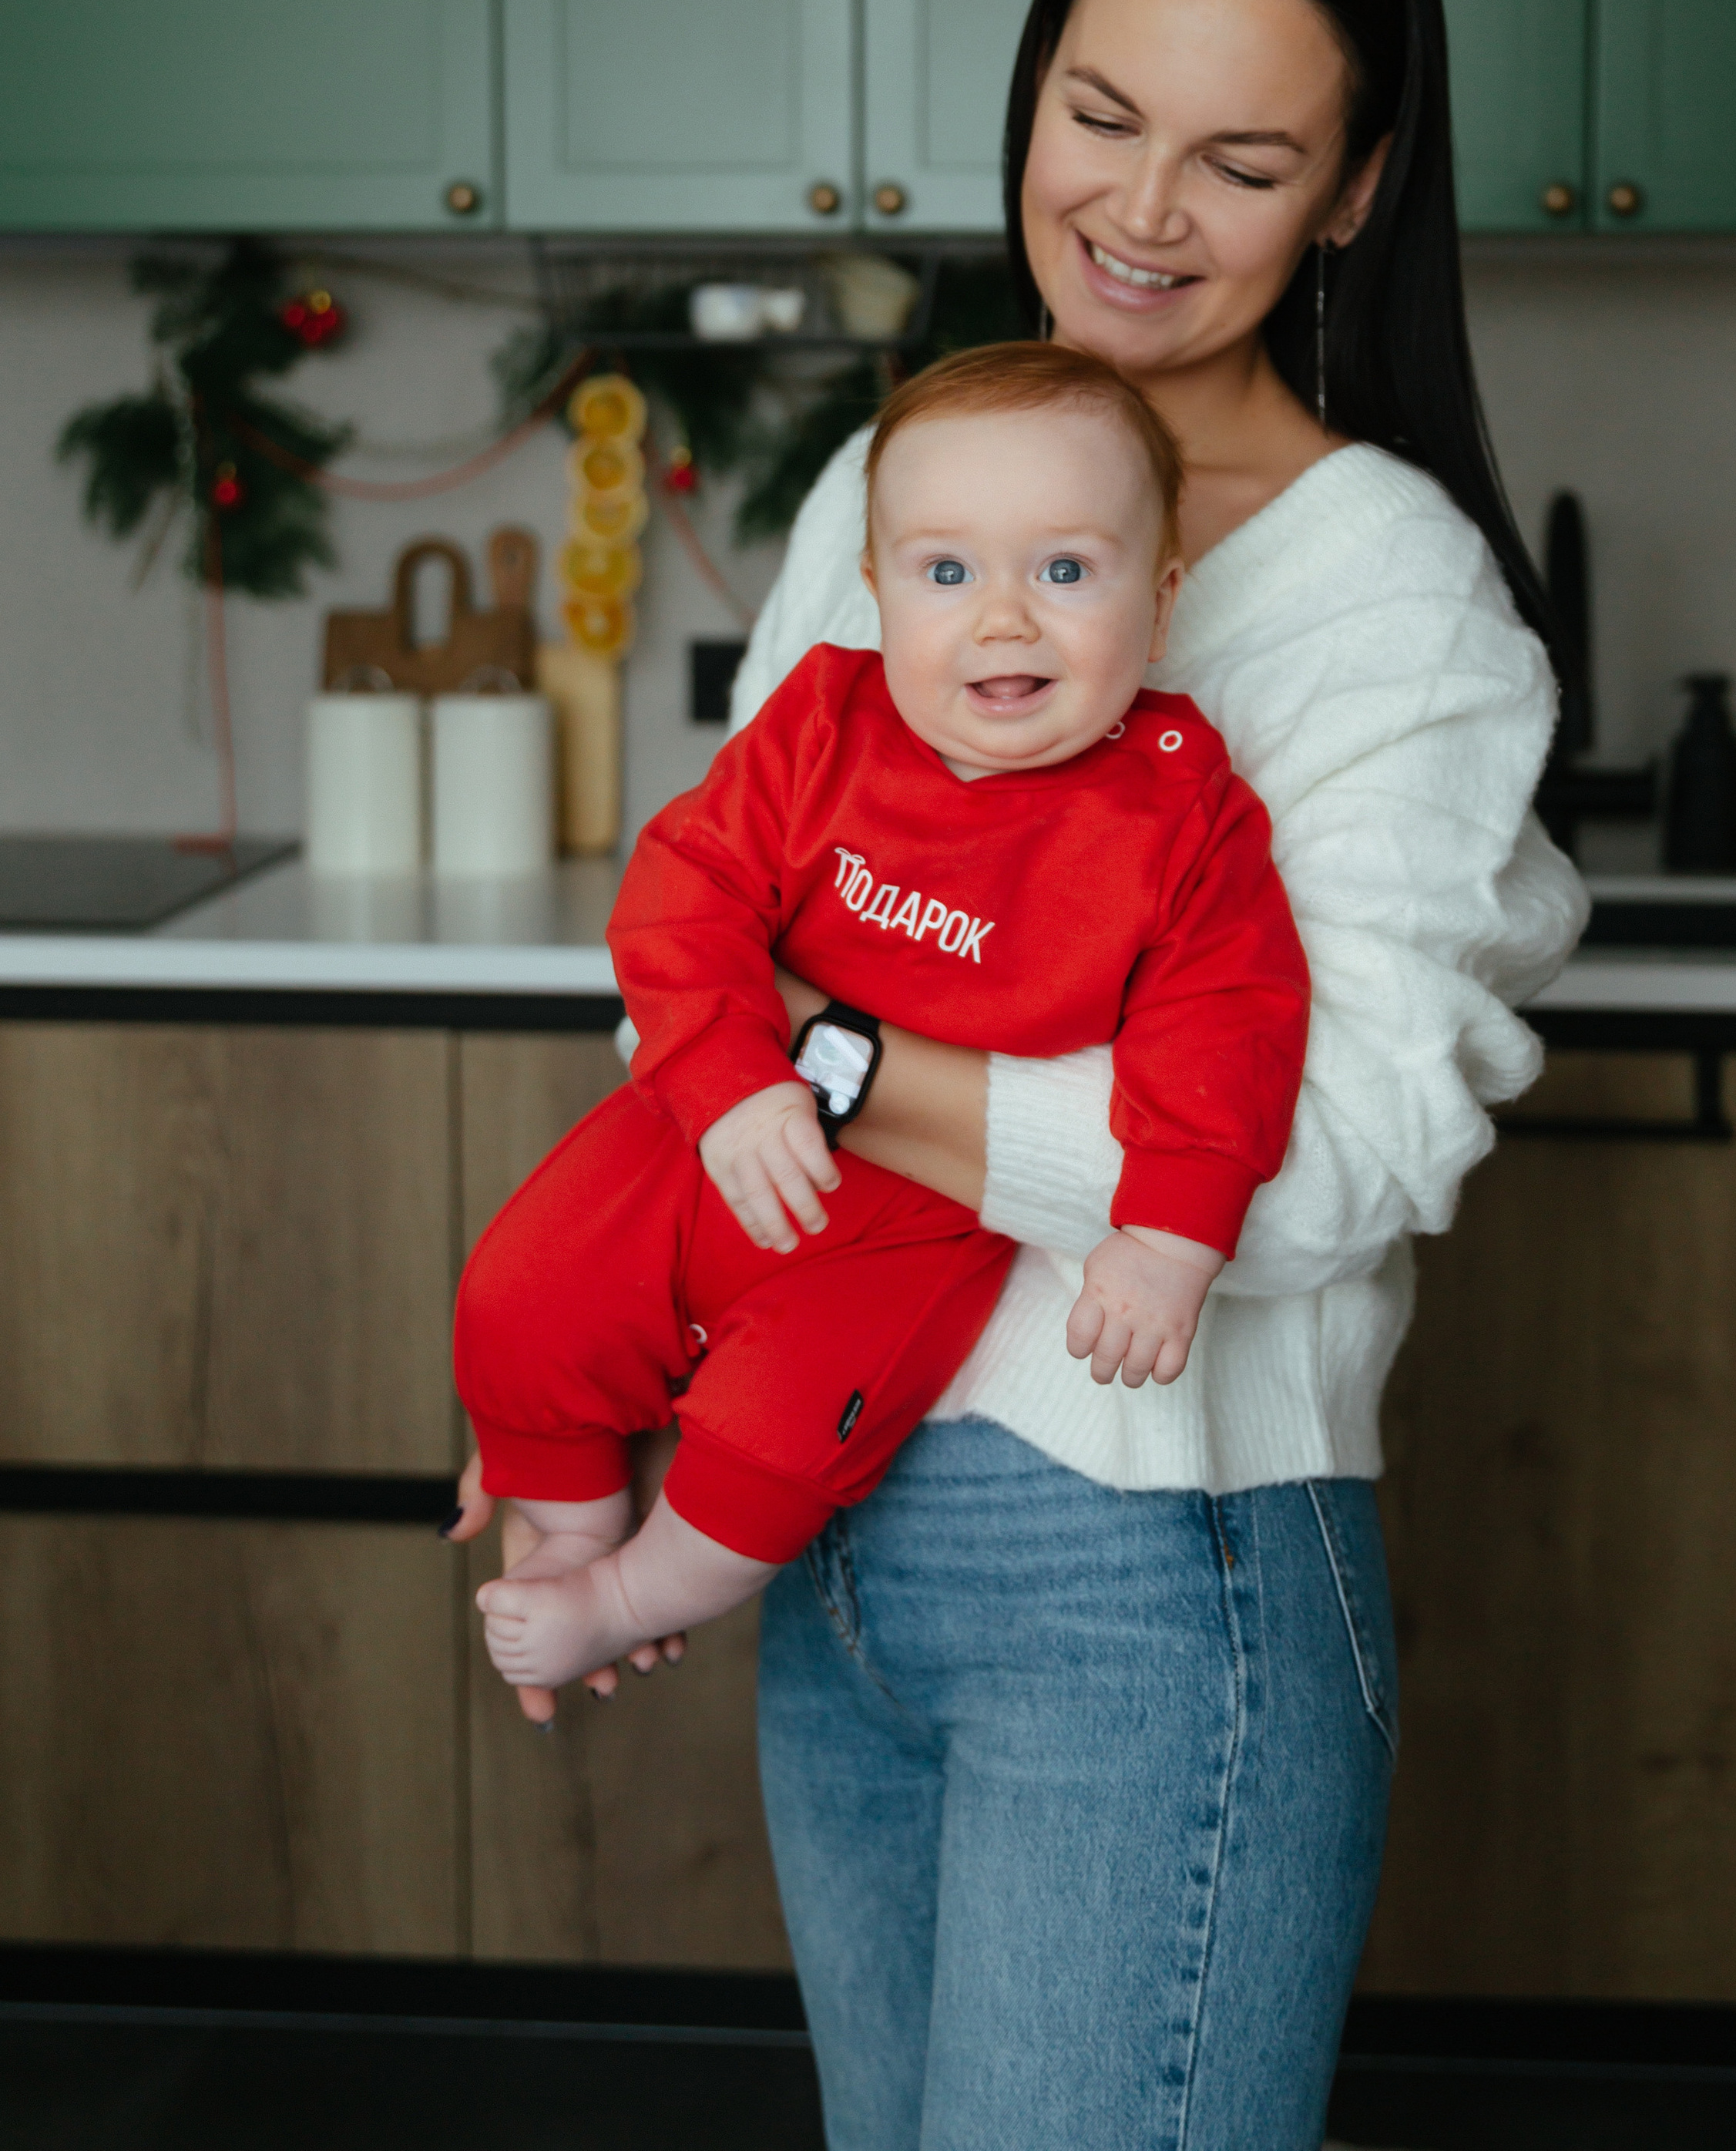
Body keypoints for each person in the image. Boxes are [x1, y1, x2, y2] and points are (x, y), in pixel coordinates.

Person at [452, 0, 1587, 2149]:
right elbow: (703, 951)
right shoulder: (901, 479)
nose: (1144, 209)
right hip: (830, 1531)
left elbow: (1314, 1172)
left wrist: (840, 1077)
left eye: (1244, 157)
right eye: (1100, 112)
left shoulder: (1397, 606)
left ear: (1354, 194)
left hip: (1150, 1570)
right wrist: (621, 1364)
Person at [454, 344, 1311, 1700]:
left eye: (1067, 572)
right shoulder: (821, 723)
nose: (1004, 620)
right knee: (517, 1292)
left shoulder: (1182, 810)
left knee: (776, 1450)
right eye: (947, 571)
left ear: (1161, 600)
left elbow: (1229, 1021)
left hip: (905, 1232)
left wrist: (1169, 1231)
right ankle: (568, 1522)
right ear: (878, 591)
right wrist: (732, 1082)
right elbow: (685, 898)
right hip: (709, 1139)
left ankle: (626, 1593)